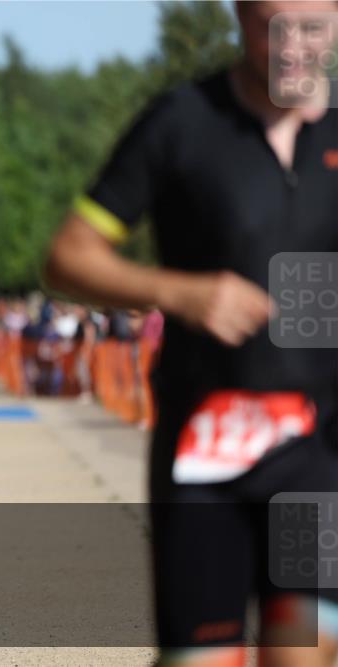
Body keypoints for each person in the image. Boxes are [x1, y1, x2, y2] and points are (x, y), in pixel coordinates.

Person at [45, 2, 337, 665]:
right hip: (205, 454)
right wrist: (179, 291)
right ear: (241, 17)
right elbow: (68, 255)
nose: (294, 46)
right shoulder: (183, 121)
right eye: (273, 26)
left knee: (308, 651)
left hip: (318, 454)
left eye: (314, 28)